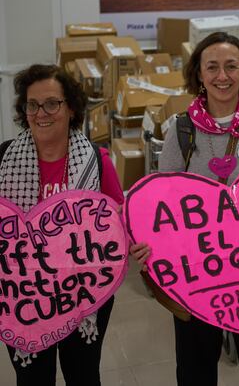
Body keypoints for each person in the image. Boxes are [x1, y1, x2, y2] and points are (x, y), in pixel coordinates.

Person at [131, 31, 239, 386]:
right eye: (213, 67)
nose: (223, 76)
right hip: (195, 275)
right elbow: (164, 203)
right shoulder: (181, 130)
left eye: (232, 66)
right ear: (200, 74)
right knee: (195, 370)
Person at [0, 64, 124, 386]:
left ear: (70, 108)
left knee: (83, 375)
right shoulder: (3, 161)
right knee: (33, 378)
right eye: (32, 104)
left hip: (83, 294)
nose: (41, 112)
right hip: (24, 296)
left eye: (52, 103)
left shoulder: (97, 162)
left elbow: (119, 223)